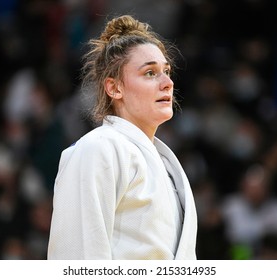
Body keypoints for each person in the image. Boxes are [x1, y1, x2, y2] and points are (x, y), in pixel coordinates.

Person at [47, 15, 197, 260]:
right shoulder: (98, 148)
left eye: (166, 71)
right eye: (150, 72)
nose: (168, 83)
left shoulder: (166, 162)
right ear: (114, 88)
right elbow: (77, 259)